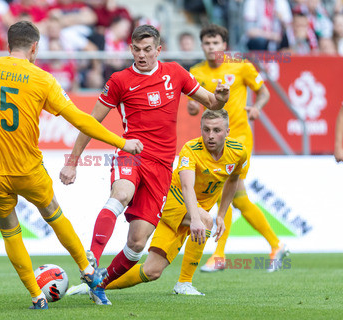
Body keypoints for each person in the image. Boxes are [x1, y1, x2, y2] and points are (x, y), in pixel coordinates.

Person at [0, 21, 143, 310]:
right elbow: (80, 118)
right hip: (28, 170)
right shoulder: (43, 79)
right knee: (54, 215)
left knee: (10, 231)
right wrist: (121, 141)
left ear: (8, 45)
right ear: (34, 47)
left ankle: (35, 295)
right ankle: (89, 272)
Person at [59, 24, 229, 305]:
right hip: (132, 153)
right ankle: (90, 260)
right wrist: (73, 162)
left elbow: (212, 102)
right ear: (130, 49)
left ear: (158, 50)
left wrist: (222, 97)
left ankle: (99, 283)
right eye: (136, 49)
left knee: (137, 243)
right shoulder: (119, 80)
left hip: (161, 168)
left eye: (147, 50)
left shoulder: (175, 73)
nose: (141, 55)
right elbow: (91, 122)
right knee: (121, 194)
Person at [102, 109, 246, 294]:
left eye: (216, 130)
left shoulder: (239, 153)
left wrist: (221, 214)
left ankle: (98, 283)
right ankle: (184, 283)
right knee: (204, 221)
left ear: (227, 132)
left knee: (151, 271)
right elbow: (186, 187)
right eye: (206, 129)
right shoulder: (191, 150)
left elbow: (233, 180)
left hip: (191, 210)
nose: (210, 136)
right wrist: (195, 218)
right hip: (173, 198)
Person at [183, 24, 288, 277]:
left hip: (239, 138)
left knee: (223, 193)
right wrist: (193, 109)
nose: (211, 48)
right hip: (212, 140)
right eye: (207, 43)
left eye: (216, 43)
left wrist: (257, 107)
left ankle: (219, 255)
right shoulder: (196, 71)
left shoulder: (241, 66)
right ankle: (276, 244)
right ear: (202, 46)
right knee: (238, 199)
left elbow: (263, 93)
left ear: (224, 45)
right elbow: (191, 106)